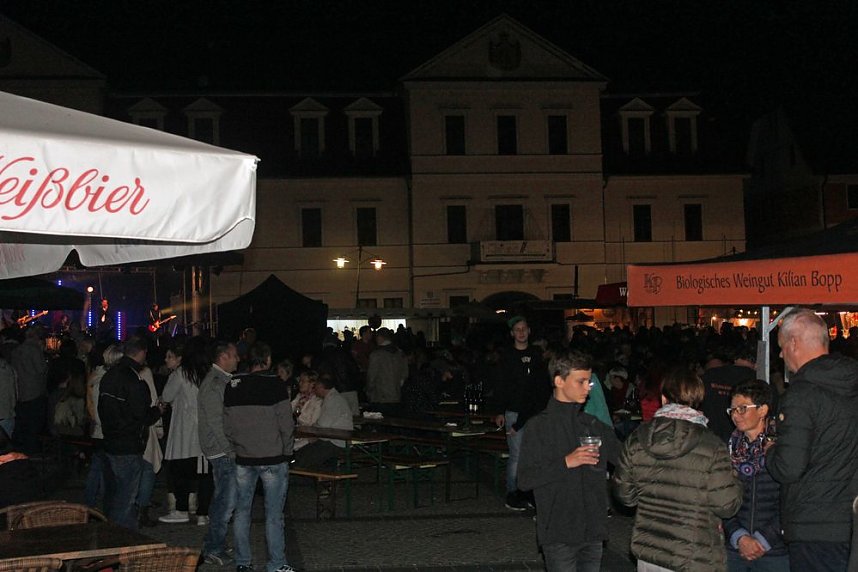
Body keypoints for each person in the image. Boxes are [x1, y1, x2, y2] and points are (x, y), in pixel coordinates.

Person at [613, 366, 742, 572]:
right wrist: (735, 478)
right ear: (698, 399)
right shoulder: (712, 446)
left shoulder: (637, 439)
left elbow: (625, 496)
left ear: (664, 398)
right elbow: (726, 505)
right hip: (694, 555)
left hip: (651, 551)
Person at [766, 309, 858, 571]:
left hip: (814, 524)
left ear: (794, 343)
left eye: (782, 347)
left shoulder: (801, 396)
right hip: (851, 521)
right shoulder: (852, 383)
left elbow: (788, 467)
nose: (781, 355)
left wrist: (770, 450)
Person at [517, 351, 621, 571]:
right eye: (580, 381)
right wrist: (566, 462)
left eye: (589, 382)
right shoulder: (539, 426)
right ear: (559, 381)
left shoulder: (592, 424)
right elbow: (525, 479)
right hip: (559, 532)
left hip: (593, 530)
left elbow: (625, 457)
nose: (587, 387)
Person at [223, 342, 296, 572]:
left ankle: (243, 562)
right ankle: (276, 563)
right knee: (273, 514)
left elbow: (227, 424)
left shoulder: (233, 385)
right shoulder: (275, 385)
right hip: (273, 457)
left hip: (244, 457)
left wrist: (236, 446)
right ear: (268, 360)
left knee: (242, 511)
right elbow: (286, 424)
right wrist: (287, 451)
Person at [97, 339, 165, 530]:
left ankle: (112, 530)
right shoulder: (134, 380)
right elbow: (141, 415)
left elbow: (103, 408)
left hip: (110, 440)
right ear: (141, 353)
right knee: (126, 496)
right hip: (128, 443)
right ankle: (122, 536)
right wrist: (158, 411)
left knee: (114, 492)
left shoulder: (109, 376)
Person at [724, 380, 789, 571]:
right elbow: (722, 498)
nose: (735, 415)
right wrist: (738, 535)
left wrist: (764, 539)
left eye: (742, 409)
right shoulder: (729, 447)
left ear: (762, 410)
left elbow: (792, 498)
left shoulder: (783, 447)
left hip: (775, 550)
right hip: (735, 548)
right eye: (732, 410)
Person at [492, 315, 550, 511]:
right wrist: (499, 411)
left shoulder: (536, 354)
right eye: (517, 329)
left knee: (534, 454)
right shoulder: (507, 356)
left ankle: (530, 491)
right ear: (512, 333)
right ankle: (513, 492)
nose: (521, 332)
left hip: (535, 412)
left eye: (524, 328)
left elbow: (541, 385)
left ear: (529, 331)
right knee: (517, 455)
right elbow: (500, 385)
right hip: (514, 411)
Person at [159, 338, 212, 525]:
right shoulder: (208, 373)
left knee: (180, 472)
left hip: (184, 431)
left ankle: (181, 510)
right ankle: (202, 513)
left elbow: (167, 395)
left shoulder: (181, 373)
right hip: (203, 431)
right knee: (204, 475)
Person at [198, 340, 239, 566]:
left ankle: (214, 543)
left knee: (222, 497)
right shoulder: (215, 383)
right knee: (226, 501)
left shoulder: (221, 380)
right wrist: (230, 449)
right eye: (234, 355)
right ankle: (214, 548)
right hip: (221, 450)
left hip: (219, 448)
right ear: (223, 357)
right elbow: (216, 422)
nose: (238, 359)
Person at [84, 343, 123, 510]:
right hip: (104, 431)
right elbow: (100, 409)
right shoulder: (103, 380)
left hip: (98, 430)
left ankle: (91, 503)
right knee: (106, 472)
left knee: (98, 468)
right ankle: (102, 506)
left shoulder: (95, 376)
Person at [293, 373, 353, 471]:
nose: (314, 390)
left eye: (316, 387)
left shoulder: (333, 400)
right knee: (302, 453)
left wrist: (312, 429)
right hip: (332, 438)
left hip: (337, 441)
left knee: (304, 457)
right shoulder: (331, 398)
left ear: (321, 387)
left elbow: (323, 424)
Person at [700, 344, 758, 442]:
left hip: (709, 439)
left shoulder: (709, 375)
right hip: (744, 442)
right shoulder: (759, 381)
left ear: (735, 358)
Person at [11, 326, 48, 453]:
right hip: (34, 392)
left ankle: (22, 449)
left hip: (21, 392)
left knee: (23, 423)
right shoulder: (34, 350)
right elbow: (41, 370)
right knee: (34, 424)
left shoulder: (17, 350)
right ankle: (32, 451)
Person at [365, 327, 408, 414]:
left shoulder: (376, 355)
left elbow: (371, 377)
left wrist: (368, 392)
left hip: (379, 397)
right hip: (397, 395)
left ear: (379, 337)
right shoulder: (400, 353)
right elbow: (405, 374)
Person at [290, 369, 322, 451]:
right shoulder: (299, 397)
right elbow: (288, 410)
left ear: (312, 384)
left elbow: (312, 423)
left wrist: (298, 416)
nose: (300, 383)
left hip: (308, 437)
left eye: (303, 381)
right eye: (300, 381)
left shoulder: (317, 401)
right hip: (296, 434)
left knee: (289, 448)